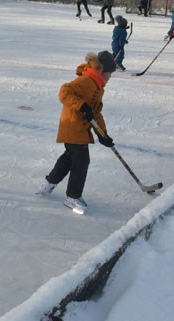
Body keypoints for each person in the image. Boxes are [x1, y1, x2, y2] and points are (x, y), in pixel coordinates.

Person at [36, 51, 117, 214]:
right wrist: (81, 105)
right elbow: (64, 92)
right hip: (73, 126)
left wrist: (103, 134)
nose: (110, 77)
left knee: (69, 158)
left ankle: (49, 183)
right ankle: (73, 196)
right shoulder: (86, 80)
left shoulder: (98, 86)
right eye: (110, 73)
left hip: (79, 129)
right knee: (81, 161)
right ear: (102, 70)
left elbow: (95, 113)